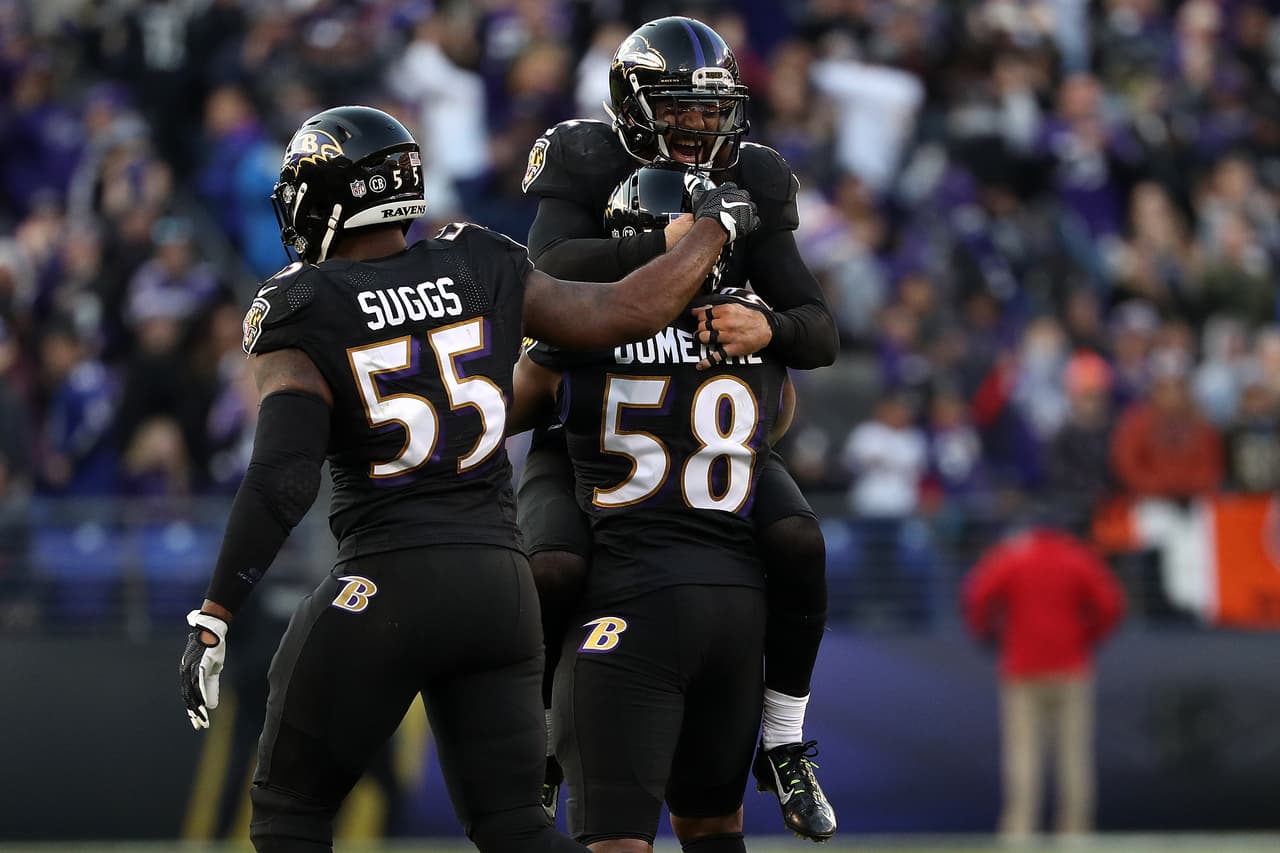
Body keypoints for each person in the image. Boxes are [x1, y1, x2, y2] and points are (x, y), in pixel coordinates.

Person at [176, 104, 760, 853]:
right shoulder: (480, 259)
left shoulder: (301, 302)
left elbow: (283, 477)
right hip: (499, 585)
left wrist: (217, 609)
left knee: (288, 810)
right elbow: (628, 309)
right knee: (516, 824)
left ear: (333, 193)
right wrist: (714, 227)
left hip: (388, 579)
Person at [518, 16, 838, 841]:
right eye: (680, 109)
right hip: (592, 431)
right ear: (632, 105)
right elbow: (546, 273)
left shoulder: (753, 177)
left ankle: (787, 735)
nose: (700, 127)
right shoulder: (587, 161)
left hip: (707, 435)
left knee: (800, 541)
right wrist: (669, 248)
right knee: (552, 565)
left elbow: (817, 325)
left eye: (712, 109)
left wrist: (767, 330)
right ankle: (540, 746)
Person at [509, 163, 791, 853]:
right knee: (716, 835)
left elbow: (493, 414)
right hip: (733, 607)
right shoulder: (747, 325)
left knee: (616, 842)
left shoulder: (580, 334)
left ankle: (540, 743)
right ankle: (791, 739)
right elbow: (776, 420)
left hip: (627, 602)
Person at [962, 518, 1127, 841]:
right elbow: (1111, 604)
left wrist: (988, 633)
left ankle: (1019, 834)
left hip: (1023, 670)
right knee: (1074, 757)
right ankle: (1075, 835)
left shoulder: (1013, 556)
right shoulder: (1077, 557)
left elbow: (977, 594)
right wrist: (1088, 636)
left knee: (1022, 757)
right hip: (1071, 668)